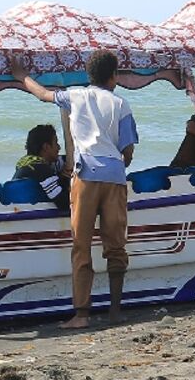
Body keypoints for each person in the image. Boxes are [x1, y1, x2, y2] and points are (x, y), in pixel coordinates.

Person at [10, 50, 138, 328]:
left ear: (89, 75)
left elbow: (43, 94)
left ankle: (81, 314)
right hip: (114, 177)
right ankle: (115, 311)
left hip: (86, 178)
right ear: (113, 76)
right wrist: (117, 162)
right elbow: (127, 152)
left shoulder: (75, 95)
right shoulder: (121, 104)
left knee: (81, 245)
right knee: (115, 245)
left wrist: (22, 76)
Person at [13, 124, 71, 211]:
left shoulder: (26, 163)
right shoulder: (40, 168)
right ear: (46, 147)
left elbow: (67, 159)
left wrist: (63, 174)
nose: (59, 147)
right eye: (56, 143)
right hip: (27, 213)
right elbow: (63, 203)